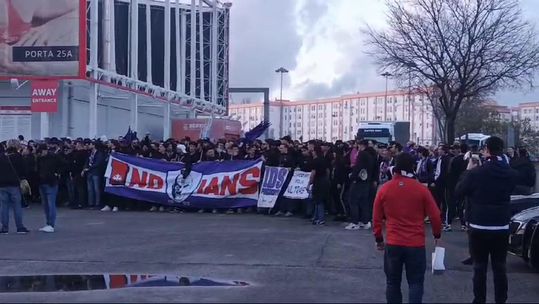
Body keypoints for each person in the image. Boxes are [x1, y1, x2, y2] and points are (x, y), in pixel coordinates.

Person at [373, 152, 442, 304]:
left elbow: (376, 218)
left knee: (392, 282)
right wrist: (437, 235)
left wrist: (379, 238)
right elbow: (435, 215)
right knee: (416, 283)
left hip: (393, 241)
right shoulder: (421, 190)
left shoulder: (385, 189)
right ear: (412, 166)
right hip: (415, 243)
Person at [455, 136, 518, 304]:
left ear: (487, 150)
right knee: (500, 266)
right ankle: (500, 299)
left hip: (478, 224)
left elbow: (459, 191)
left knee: (479, 267)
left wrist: (468, 171)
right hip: (501, 225)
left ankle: (479, 299)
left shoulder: (476, 173)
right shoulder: (509, 173)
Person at [0, 141, 29, 234]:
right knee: (17, 206)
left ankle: (4, 228)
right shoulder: (18, 157)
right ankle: (19, 227)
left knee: (4, 206)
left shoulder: (2, 157)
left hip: (2, 184)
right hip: (14, 184)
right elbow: (23, 170)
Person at [346, 140, 376, 230]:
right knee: (364, 202)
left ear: (361, 145)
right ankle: (365, 221)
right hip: (366, 181)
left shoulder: (362, 154)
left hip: (359, 181)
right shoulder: (371, 155)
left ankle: (355, 222)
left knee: (353, 201)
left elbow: (358, 167)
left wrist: (353, 177)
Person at [36, 144, 62, 233]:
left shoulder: (54, 157)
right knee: (46, 205)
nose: (39, 154)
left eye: (40, 152)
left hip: (51, 182)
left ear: (44, 150)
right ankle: (48, 223)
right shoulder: (40, 158)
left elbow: (64, 164)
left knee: (51, 204)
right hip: (42, 182)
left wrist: (57, 173)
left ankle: (51, 224)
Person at [309, 144, 330, 225]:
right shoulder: (324, 159)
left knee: (318, 201)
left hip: (318, 181)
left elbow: (313, 173)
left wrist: (309, 183)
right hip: (324, 180)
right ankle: (316, 217)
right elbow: (328, 170)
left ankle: (320, 218)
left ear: (315, 152)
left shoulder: (315, 161)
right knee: (320, 200)